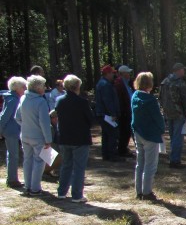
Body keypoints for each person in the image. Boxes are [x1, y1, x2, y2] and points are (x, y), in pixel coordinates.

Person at [54, 74, 93, 203]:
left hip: (64, 137)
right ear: (77, 87)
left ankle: (61, 192)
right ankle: (77, 195)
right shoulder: (82, 102)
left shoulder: (59, 100)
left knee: (66, 165)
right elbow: (90, 120)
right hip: (80, 139)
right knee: (79, 168)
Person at [14, 75, 52, 195]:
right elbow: (44, 123)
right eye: (43, 86)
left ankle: (28, 186)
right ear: (38, 87)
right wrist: (48, 139)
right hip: (38, 137)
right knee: (39, 161)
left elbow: (17, 117)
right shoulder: (41, 102)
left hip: (24, 135)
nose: (45, 88)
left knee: (27, 160)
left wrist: (26, 126)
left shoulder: (23, 98)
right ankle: (35, 188)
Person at [131, 72, 165, 201]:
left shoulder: (135, 96)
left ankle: (139, 190)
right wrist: (162, 129)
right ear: (149, 84)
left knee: (140, 163)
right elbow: (158, 118)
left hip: (138, 132)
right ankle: (147, 192)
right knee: (150, 165)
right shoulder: (150, 100)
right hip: (150, 134)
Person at [159, 62, 186, 168]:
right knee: (178, 137)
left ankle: (173, 158)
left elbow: (160, 97)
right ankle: (175, 160)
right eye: (183, 70)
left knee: (173, 137)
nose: (184, 72)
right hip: (178, 113)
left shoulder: (164, 82)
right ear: (179, 70)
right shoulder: (180, 83)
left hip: (168, 113)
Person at [1, 76, 26, 188]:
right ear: (17, 88)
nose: (25, 89)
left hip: (13, 130)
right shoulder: (13, 100)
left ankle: (11, 178)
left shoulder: (14, 98)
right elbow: (4, 116)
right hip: (11, 131)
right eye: (23, 87)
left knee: (12, 154)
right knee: (13, 155)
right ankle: (12, 180)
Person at [95, 64, 121, 162]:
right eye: (112, 73)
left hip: (103, 114)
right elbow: (108, 101)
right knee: (112, 134)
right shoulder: (105, 85)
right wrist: (113, 113)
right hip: (107, 115)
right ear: (107, 73)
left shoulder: (101, 83)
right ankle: (112, 155)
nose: (113, 75)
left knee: (106, 135)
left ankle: (106, 154)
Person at [114, 65, 135, 158]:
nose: (129, 74)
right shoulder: (118, 84)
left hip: (129, 110)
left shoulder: (128, 83)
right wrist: (122, 111)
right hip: (124, 112)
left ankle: (123, 148)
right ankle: (122, 150)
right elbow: (119, 99)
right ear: (122, 74)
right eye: (127, 73)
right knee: (124, 131)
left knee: (127, 131)